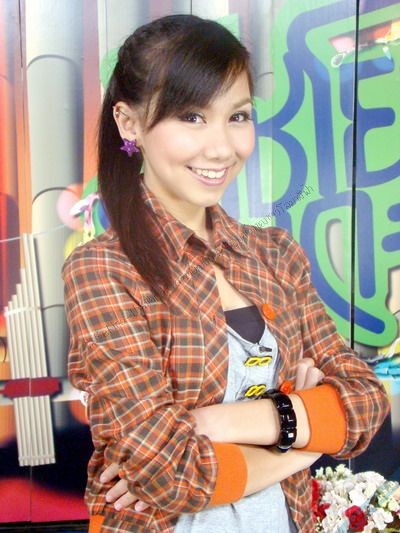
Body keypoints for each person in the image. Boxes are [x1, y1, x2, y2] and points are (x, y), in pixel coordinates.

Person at [62, 14, 390, 533]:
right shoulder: (102, 269)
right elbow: (168, 473)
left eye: (237, 116)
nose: (221, 147)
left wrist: (216, 422)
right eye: (192, 116)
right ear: (129, 123)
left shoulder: (275, 255)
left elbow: (366, 402)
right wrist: (305, 438)